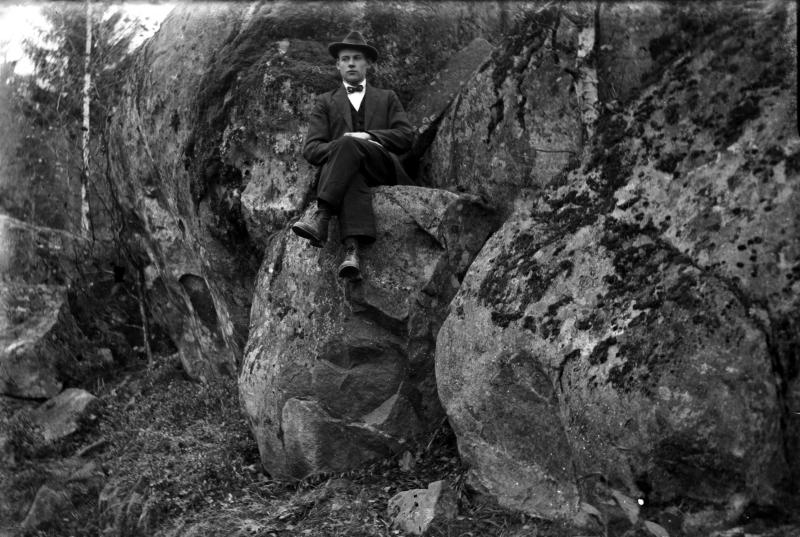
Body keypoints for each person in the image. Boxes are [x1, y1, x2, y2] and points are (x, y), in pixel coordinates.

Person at [293, 31, 415, 281]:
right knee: (350, 169)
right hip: (346, 175)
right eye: (345, 59)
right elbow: (311, 149)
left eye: (357, 58)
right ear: (337, 65)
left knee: (349, 145)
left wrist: (367, 136)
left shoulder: (387, 97)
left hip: (381, 166)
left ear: (367, 63)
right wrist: (343, 147)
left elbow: (406, 137)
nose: (351, 63)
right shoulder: (325, 102)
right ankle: (352, 253)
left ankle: (322, 217)